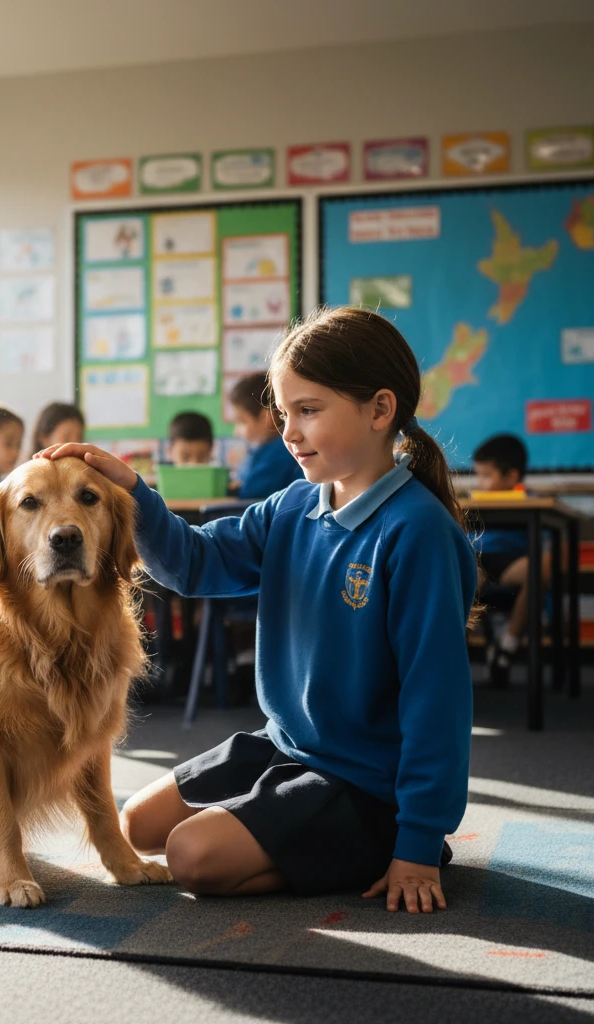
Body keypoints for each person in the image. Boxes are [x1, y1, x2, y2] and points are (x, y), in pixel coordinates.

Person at [38, 307, 478, 913]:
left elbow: (438, 700)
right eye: (284, 411)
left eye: (309, 410)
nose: (289, 431)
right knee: (137, 825)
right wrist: (134, 492)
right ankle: (288, 830)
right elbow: (194, 563)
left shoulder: (417, 532)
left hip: (363, 781)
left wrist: (419, 844)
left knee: (192, 858)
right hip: (287, 746)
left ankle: (379, 843)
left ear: (381, 410)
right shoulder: (294, 504)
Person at [471, 433, 544, 687]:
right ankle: (456, 653)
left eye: (486, 476)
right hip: (479, 561)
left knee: (538, 569)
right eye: (478, 475)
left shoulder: (534, 501)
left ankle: (507, 645)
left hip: (514, 564)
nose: (480, 483)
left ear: (512, 477)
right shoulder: (472, 502)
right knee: (458, 570)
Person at [230, 372, 303, 498]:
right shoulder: (262, 449)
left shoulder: (281, 449)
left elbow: (251, 491)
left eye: (242, 421)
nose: (236, 431)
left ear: (267, 418)